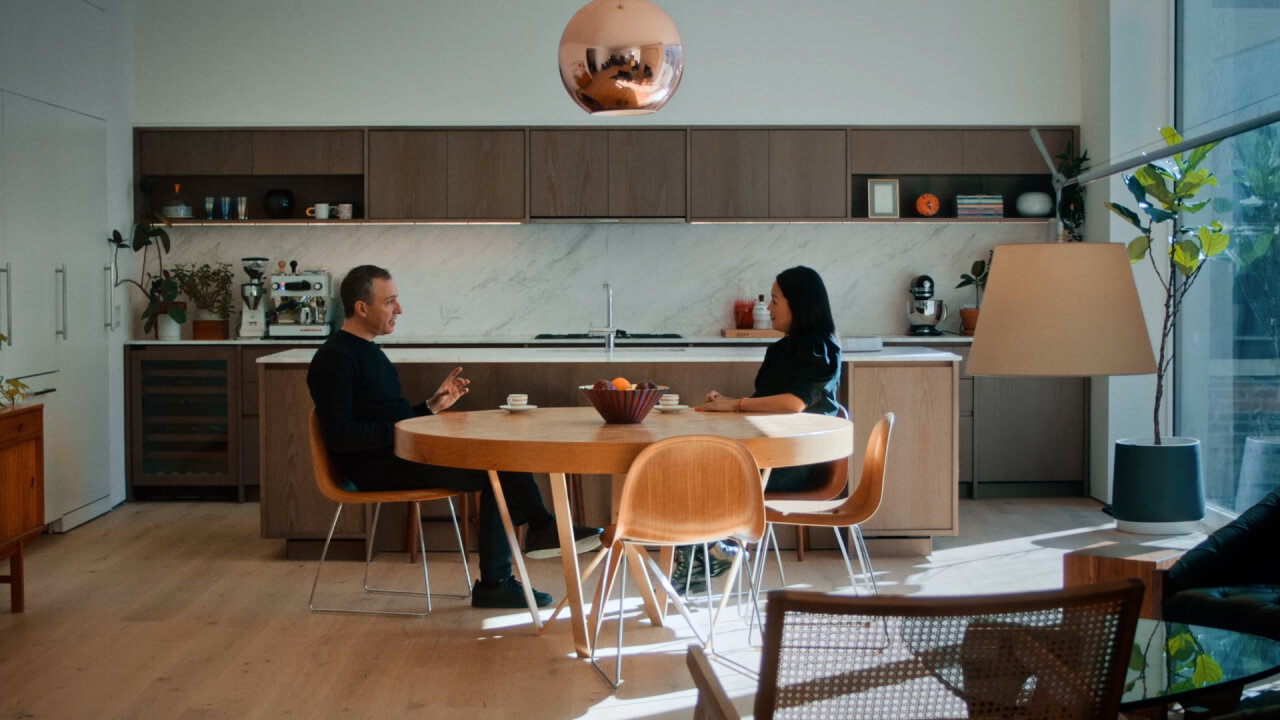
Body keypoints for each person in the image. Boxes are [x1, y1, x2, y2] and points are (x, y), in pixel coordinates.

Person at [307, 265, 602, 610]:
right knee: (499, 467)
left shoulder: (369, 351)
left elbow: (388, 418)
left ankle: (529, 542)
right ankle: (514, 560)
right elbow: (343, 437)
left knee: (502, 460)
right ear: (361, 308)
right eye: (390, 302)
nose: (399, 310)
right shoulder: (334, 359)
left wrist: (431, 406)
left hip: (398, 455)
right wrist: (403, 432)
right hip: (375, 469)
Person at [681, 266, 842, 590]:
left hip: (798, 462)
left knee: (704, 471)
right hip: (771, 455)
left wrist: (737, 404)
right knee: (691, 465)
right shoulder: (781, 348)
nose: (768, 309)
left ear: (800, 305)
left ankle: (712, 551)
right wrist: (726, 402)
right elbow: (764, 402)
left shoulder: (820, 347)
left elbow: (794, 403)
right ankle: (704, 554)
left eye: (775, 301)